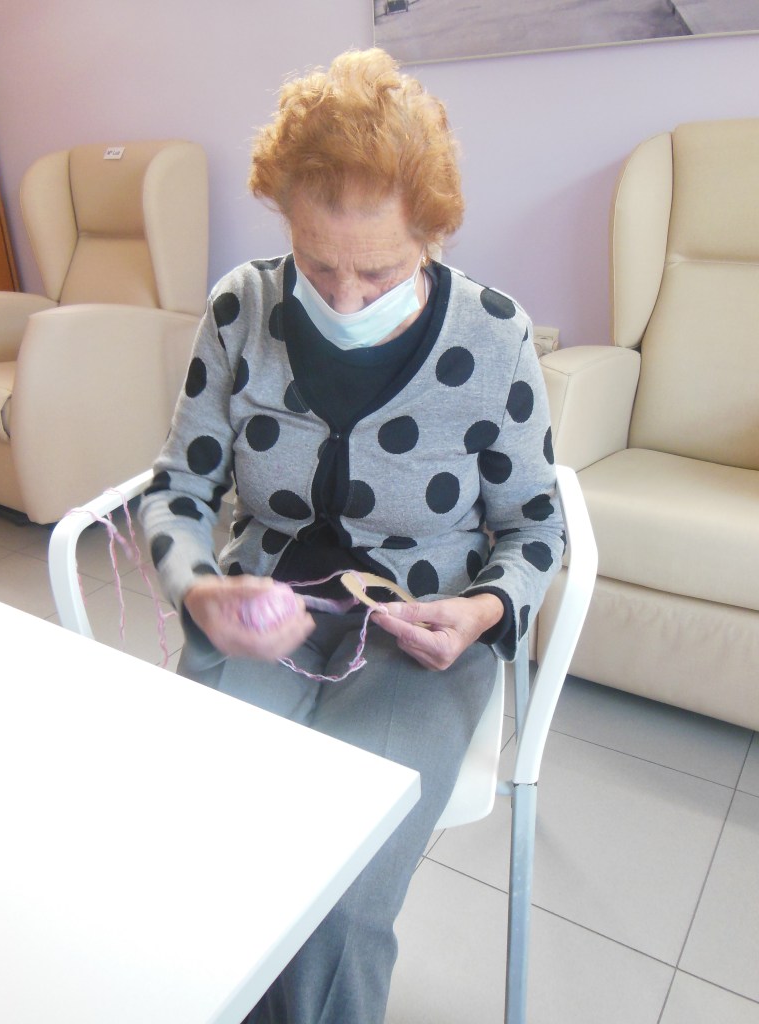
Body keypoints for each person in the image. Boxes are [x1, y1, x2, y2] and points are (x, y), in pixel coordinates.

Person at [140, 47, 563, 1024]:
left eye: (380, 271)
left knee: (339, 899)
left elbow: (535, 525)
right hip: (263, 613)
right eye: (317, 263)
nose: (342, 299)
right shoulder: (242, 310)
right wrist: (200, 589)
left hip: (420, 636)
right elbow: (178, 488)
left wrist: (483, 610)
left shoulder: (493, 338)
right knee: (208, 855)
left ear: (432, 234)